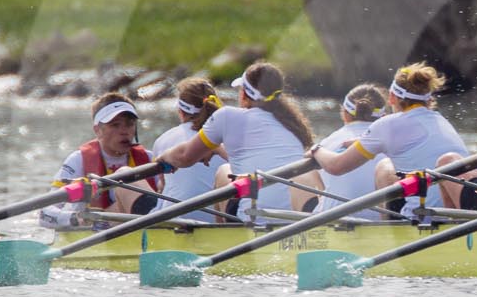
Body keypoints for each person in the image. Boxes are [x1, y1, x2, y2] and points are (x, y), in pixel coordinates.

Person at [157, 61, 317, 218]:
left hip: (252, 218)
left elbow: (185, 156)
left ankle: (224, 236)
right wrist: (217, 148)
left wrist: (164, 157)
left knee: (223, 172)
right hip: (294, 220)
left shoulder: (227, 116)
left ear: (244, 94)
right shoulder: (292, 124)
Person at [310, 64, 471, 212]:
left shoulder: (388, 125)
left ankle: (390, 233)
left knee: (384, 168)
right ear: (428, 99)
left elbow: (336, 167)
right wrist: (363, 143)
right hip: (458, 216)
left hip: (421, 219)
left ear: (392, 98)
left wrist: (317, 150)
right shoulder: (441, 121)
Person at [44, 91, 163, 226]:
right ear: (97, 130)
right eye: (115, 125)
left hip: (139, 224)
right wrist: (74, 219)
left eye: (129, 124)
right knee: (124, 175)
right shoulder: (78, 160)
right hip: (96, 230)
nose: (124, 131)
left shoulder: (148, 158)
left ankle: (159, 227)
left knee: (125, 175)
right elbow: (45, 213)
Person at [308, 83, 394, 220]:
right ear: (383, 116)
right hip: (383, 223)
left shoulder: (327, 143)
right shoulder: (396, 143)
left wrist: (315, 149)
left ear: (344, 114)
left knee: (303, 177)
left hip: (335, 222)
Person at [149, 77, 224, 221]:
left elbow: (162, 187)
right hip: (220, 221)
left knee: (124, 174)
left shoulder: (163, 140)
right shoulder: (229, 137)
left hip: (175, 221)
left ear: (180, 112)